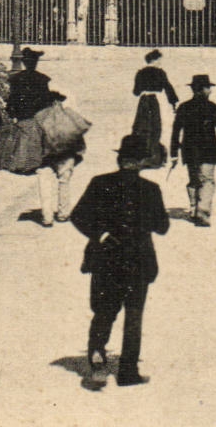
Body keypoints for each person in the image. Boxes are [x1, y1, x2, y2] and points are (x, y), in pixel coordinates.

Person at [69, 133, 169, 388]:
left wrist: (100, 233)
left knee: (104, 309)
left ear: (120, 159)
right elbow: (162, 227)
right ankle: (128, 371)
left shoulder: (99, 183)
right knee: (134, 315)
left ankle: (98, 355)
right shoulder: (150, 189)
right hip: (139, 259)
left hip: (107, 256)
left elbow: (78, 215)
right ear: (142, 162)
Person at [4, 48, 80, 227]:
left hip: (29, 131)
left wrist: (18, 117)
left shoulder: (15, 80)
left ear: (23, 62)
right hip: (45, 127)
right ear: (35, 62)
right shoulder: (42, 80)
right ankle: (63, 212)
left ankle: (47, 217)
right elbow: (46, 102)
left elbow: (11, 106)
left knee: (43, 172)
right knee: (62, 173)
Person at [170, 74, 216, 227]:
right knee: (207, 180)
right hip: (209, 151)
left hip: (190, 151)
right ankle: (202, 213)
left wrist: (174, 153)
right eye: (208, 88)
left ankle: (195, 209)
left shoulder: (184, 107)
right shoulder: (212, 107)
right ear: (203, 89)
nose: (210, 91)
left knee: (195, 180)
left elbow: (176, 132)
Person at [130, 49, 179, 150]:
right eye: (159, 60)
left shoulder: (140, 72)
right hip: (157, 100)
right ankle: (154, 149)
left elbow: (136, 92)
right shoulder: (160, 72)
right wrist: (173, 103)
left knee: (141, 123)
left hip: (143, 100)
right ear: (154, 60)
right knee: (156, 124)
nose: (160, 62)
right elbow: (168, 87)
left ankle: (139, 148)